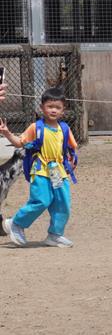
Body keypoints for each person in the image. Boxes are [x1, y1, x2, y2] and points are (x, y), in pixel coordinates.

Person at [0, 87, 78, 248]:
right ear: (42, 107)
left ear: (63, 110)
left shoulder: (64, 128)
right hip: (41, 170)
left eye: (57, 107)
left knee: (62, 203)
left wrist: (71, 160)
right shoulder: (35, 127)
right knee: (42, 200)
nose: (53, 110)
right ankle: (15, 223)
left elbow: (71, 148)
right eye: (50, 106)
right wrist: (7, 133)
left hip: (59, 172)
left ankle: (55, 235)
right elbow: (19, 143)